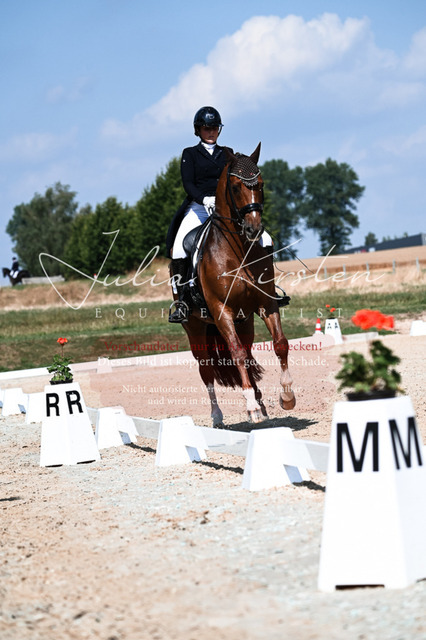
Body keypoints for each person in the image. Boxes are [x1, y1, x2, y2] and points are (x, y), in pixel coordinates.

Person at [167, 106, 272, 323]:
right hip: (199, 207)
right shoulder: (190, 154)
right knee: (178, 248)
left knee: (267, 239)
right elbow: (188, 184)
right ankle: (183, 301)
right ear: (198, 130)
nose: (211, 132)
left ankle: (268, 287)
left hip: (226, 209)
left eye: (214, 128)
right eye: (207, 128)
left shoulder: (228, 153)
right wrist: (204, 199)